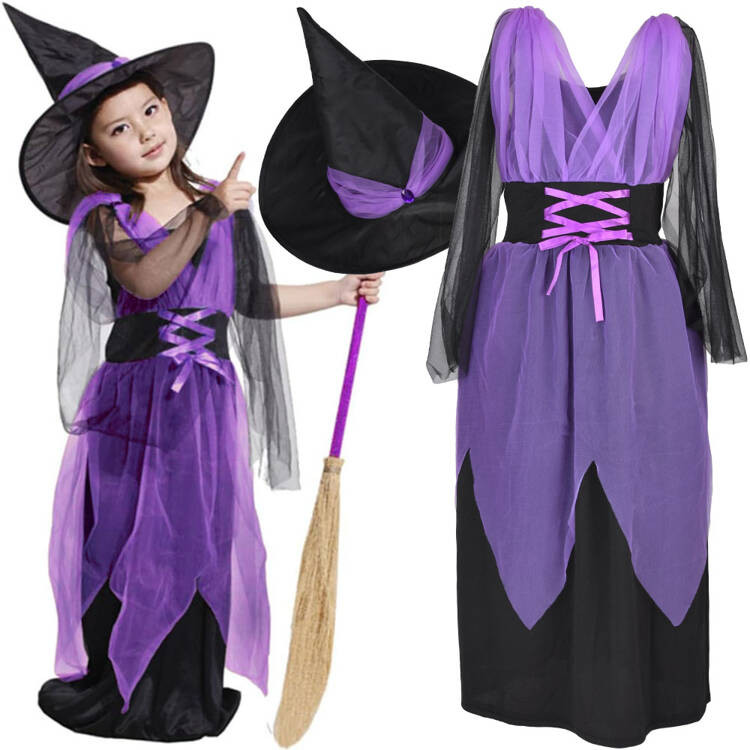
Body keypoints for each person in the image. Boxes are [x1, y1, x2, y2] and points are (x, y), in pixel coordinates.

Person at [4, 3, 382, 741]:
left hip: (203, 400)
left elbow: (243, 300)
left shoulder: (213, 197)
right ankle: (124, 690)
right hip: (134, 399)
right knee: (129, 533)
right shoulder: (106, 216)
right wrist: (207, 212)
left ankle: (184, 694)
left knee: (195, 535)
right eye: (120, 128)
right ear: (95, 156)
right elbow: (146, 281)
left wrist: (336, 292)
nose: (146, 131)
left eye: (150, 110)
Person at [427, 6, 745, 747]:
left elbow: (696, 200)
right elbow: (478, 189)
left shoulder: (674, 47)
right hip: (536, 309)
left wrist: (708, 309)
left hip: (636, 316)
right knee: (522, 478)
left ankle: (633, 681)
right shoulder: (514, 39)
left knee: (650, 481)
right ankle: (533, 677)